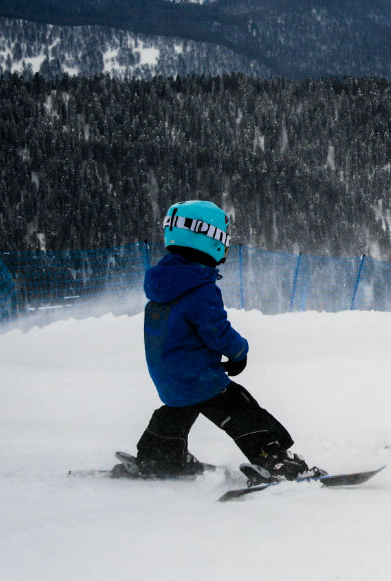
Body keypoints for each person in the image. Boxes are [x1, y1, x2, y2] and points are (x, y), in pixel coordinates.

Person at [119, 200, 325, 483]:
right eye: (224, 238)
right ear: (210, 238)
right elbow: (216, 331)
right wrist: (240, 351)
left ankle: (159, 457)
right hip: (199, 376)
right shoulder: (199, 288)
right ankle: (273, 460)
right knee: (240, 409)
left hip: (168, 374)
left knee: (177, 410)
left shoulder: (163, 284)